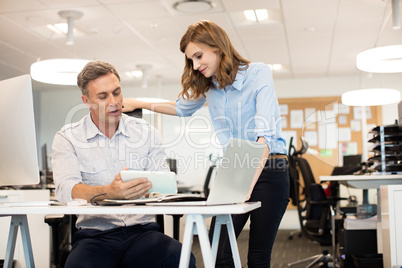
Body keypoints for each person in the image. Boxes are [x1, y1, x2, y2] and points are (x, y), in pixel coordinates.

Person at [123, 20, 290, 267]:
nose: (195, 65)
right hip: (235, 167)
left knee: (257, 256)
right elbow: (180, 108)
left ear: (218, 47)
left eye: (199, 56)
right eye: (191, 60)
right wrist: (139, 103)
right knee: (218, 251)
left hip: (269, 169)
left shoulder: (258, 74)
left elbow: (264, 138)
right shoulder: (210, 85)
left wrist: (245, 185)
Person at [51, 60, 195, 268]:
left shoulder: (146, 132)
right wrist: (109, 192)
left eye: (117, 92)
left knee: (180, 258)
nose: (114, 102)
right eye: (103, 96)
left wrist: (151, 191)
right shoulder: (68, 137)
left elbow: (164, 182)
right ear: (86, 100)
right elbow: (65, 190)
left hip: (143, 233)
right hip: (95, 236)